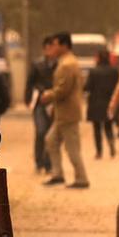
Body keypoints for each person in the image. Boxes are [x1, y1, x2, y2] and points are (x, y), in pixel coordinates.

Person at [41, 32, 89, 189]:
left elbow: (63, 90)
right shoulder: (67, 62)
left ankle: (81, 178)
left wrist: (48, 95)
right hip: (63, 112)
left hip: (68, 113)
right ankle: (58, 174)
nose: (53, 47)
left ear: (64, 45)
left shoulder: (67, 64)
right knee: (51, 140)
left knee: (72, 147)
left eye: (55, 44)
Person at [24, 36, 56, 173]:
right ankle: (39, 161)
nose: (49, 51)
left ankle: (49, 163)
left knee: (51, 134)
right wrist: (27, 99)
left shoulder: (60, 64)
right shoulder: (37, 64)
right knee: (40, 132)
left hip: (54, 103)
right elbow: (30, 82)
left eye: (51, 48)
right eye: (47, 48)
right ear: (44, 49)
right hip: (39, 104)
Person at [85, 50, 119, 158]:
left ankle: (99, 152)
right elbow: (118, 87)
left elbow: (87, 87)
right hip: (109, 102)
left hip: (95, 102)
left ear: (98, 58)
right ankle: (111, 144)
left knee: (97, 128)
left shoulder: (94, 71)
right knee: (108, 126)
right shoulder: (114, 71)